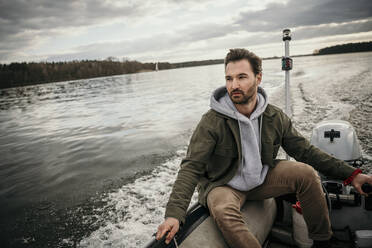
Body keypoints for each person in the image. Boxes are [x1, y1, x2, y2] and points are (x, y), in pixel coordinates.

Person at [156, 48, 372, 248]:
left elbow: (305, 151)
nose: (234, 85)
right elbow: (191, 168)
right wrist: (174, 214)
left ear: (258, 78)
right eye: (229, 79)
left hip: (261, 178)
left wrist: (352, 175)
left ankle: (323, 242)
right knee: (223, 210)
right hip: (223, 184)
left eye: (242, 77)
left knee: (306, 174)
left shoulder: (274, 117)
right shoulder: (211, 122)